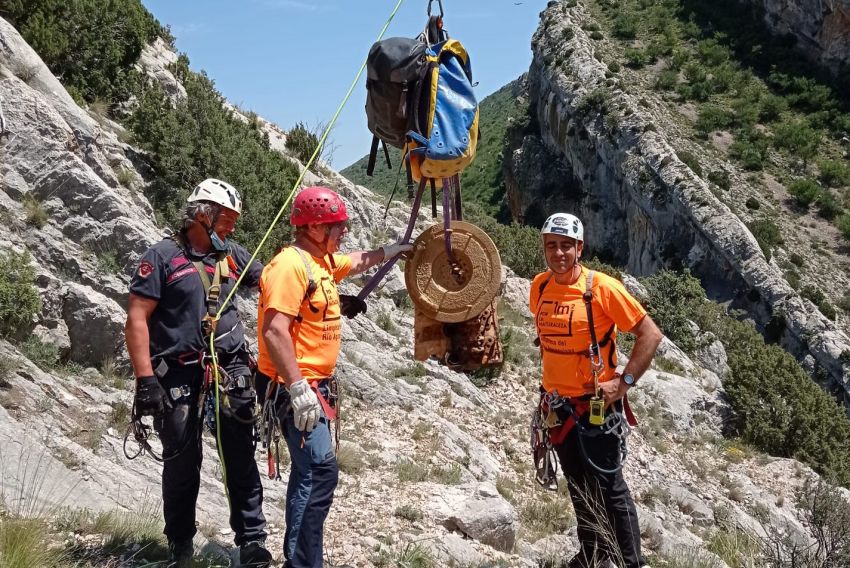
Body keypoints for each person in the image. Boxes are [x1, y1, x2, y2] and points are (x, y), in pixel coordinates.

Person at [256, 185, 412, 568]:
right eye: (336, 225)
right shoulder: (290, 266)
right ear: (313, 227)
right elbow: (275, 330)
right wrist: (296, 387)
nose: (342, 230)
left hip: (311, 386)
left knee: (310, 473)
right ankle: (303, 563)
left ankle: (301, 556)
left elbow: (356, 261)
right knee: (321, 473)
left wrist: (391, 252)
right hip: (296, 388)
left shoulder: (320, 262)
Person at [125, 178, 273, 568]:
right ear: (204, 214)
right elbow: (137, 318)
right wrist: (145, 381)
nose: (232, 227)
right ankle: (180, 545)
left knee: (240, 453)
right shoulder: (160, 258)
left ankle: (253, 540)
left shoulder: (233, 255)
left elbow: (274, 284)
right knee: (181, 462)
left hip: (230, 368)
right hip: (176, 373)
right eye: (227, 219)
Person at [529, 212, 662, 568]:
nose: (558, 253)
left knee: (610, 487)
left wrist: (624, 381)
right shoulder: (539, 287)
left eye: (566, 246)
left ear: (580, 248)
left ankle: (632, 563)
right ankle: (593, 553)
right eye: (552, 246)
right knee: (577, 484)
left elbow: (650, 334)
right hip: (557, 407)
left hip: (595, 406)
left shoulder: (601, 288)